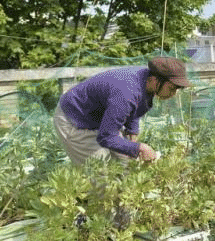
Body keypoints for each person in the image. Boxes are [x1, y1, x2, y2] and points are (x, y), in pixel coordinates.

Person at [53, 57, 190, 164]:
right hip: (76, 120)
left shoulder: (145, 80)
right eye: (172, 89)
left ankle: (122, 199)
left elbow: (136, 105)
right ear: (155, 80)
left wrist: (132, 130)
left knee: (126, 165)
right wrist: (139, 147)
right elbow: (106, 137)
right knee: (100, 172)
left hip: (101, 120)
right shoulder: (126, 92)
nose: (174, 94)